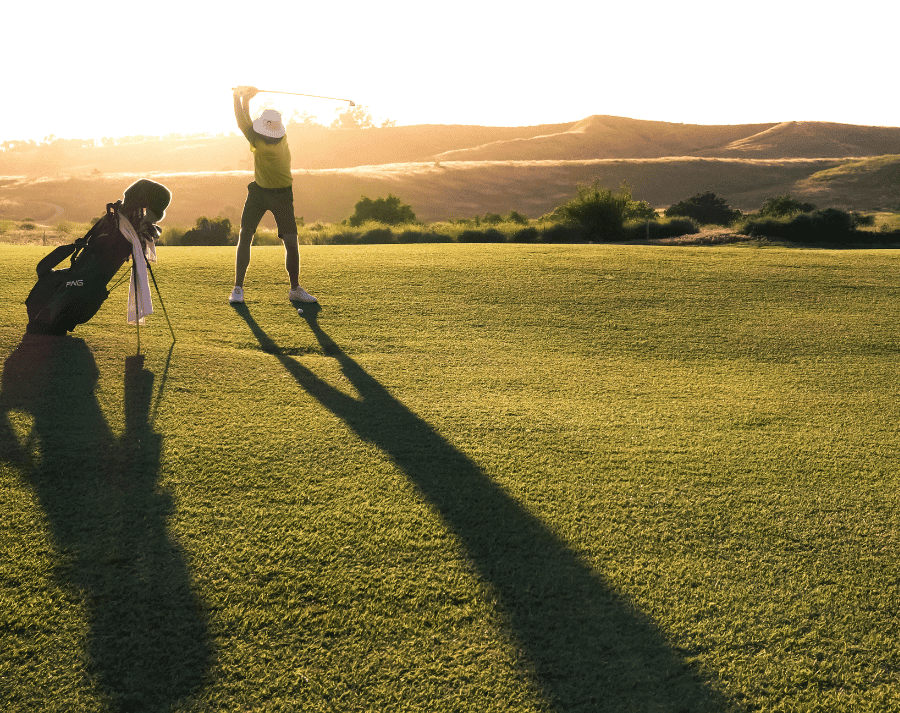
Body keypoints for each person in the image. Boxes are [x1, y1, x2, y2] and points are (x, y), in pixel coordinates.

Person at [229, 86, 317, 305]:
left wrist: (240, 97)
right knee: (247, 235)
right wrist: (244, 99)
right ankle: (238, 288)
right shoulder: (276, 136)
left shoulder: (259, 141)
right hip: (260, 192)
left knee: (289, 241)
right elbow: (245, 121)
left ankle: (295, 289)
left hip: (281, 196)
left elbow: (243, 122)